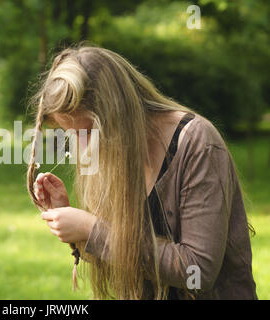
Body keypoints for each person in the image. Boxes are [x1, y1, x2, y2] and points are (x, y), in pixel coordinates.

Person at [26, 44, 257, 300]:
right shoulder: (112, 150)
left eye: (88, 131)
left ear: (117, 114)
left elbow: (198, 271)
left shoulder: (196, 141)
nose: (81, 146)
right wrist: (73, 222)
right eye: (70, 133)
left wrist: (91, 229)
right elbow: (119, 256)